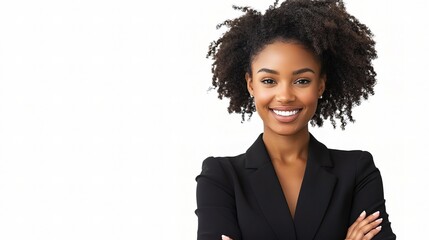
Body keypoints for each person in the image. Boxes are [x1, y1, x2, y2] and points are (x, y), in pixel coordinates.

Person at [195, 0, 396, 239]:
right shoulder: (220, 177)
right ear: (251, 85)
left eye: (302, 81)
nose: (285, 96)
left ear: (321, 84)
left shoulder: (357, 171)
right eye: (269, 81)